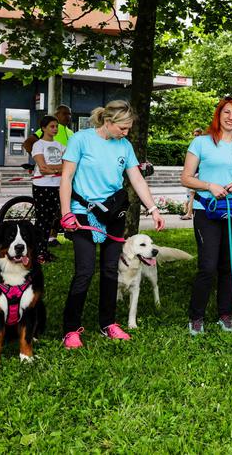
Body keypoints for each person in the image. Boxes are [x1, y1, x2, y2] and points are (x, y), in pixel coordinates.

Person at [59, 100, 165, 348]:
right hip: (81, 213)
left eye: (129, 129)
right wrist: (66, 213)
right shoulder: (81, 140)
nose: (126, 133)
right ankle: (71, 329)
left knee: (110, 270)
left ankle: (108, 323)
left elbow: (136, 179)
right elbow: (66, 177)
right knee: (84, 271)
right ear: (108, 122)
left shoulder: (124, 146)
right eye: (123, 128)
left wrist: (153, 209)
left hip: (113, 214)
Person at [181, 98, 232, 335]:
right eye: (226, 112)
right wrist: (209, 185)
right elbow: (186, 178)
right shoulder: (201, 142)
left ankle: (225, 314)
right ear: (218, 114)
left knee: (229, 265)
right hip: (207, 212)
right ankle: (196, 316)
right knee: (207, 266)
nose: (230, 117)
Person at [31, 115, 64, 262]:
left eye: (56, 126)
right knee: (42, 219)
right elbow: (42, 169)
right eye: (52, 126)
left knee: (51, 219)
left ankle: (44, 250)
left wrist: (53, 170)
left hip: (57, 186)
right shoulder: (38, 145)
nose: (55, 129)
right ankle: (37, 251)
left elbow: (68, 166)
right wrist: (59, 169)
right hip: (42, 186)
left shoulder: (61, 146)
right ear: (43, 128)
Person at [181, 127, 204, 221]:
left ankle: (189, 213)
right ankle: (189, 211)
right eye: (194, 135)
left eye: (197, 135)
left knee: (192, 194)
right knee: (190, 195)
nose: (195, 137)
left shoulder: (202, 146)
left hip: (197, 174)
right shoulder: (195, 146)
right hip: (192, 174)